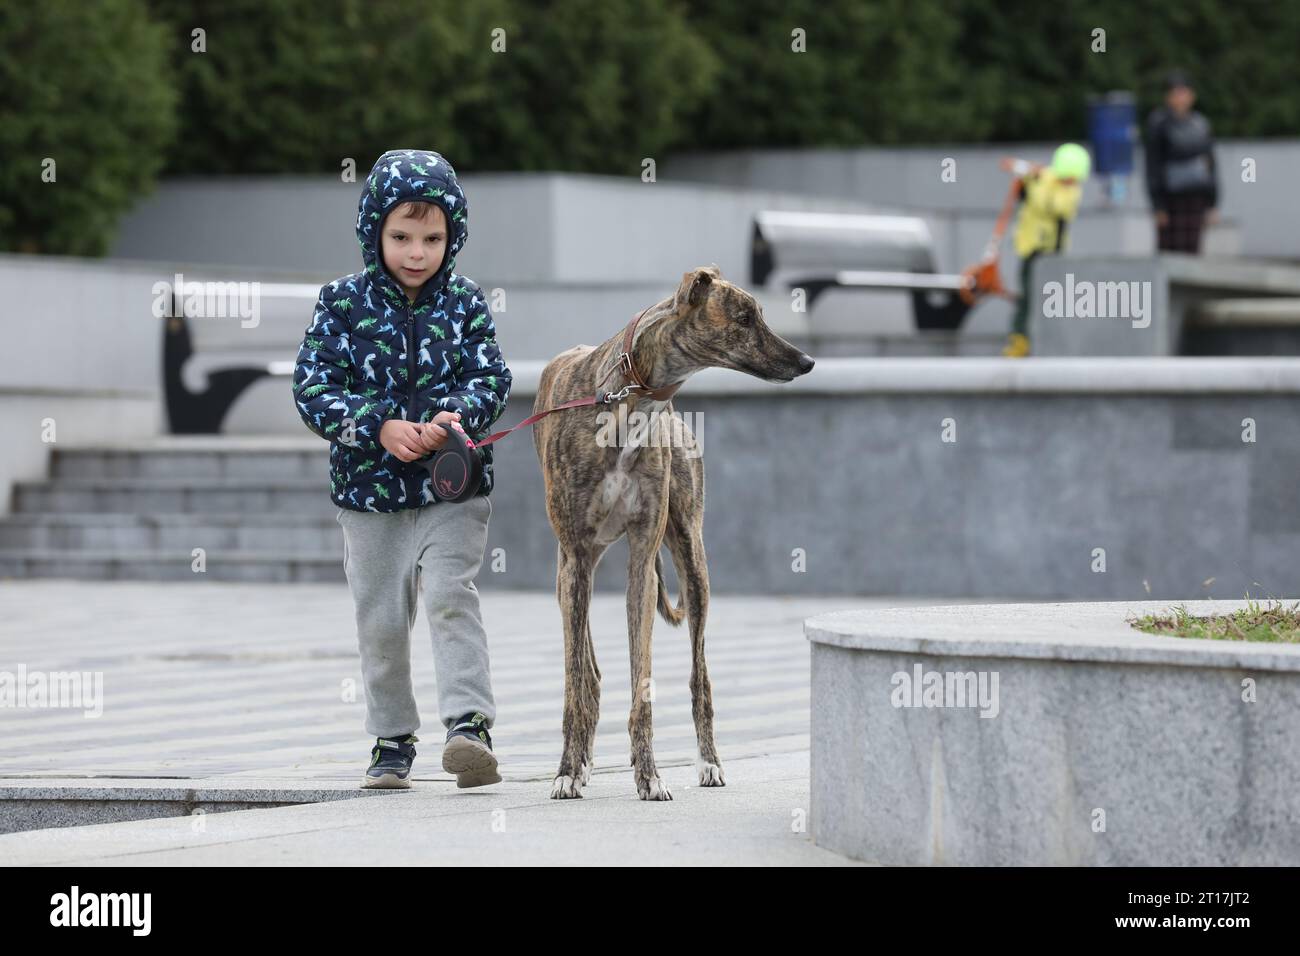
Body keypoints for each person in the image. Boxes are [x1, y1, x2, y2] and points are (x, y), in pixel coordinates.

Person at [292, 148, 512, 790]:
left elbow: (491, 377)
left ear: (454, 236)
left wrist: (456, 416)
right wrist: (377, 426)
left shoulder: (467, 303)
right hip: (370, 494)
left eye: (433, 237)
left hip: (454, 490)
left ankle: (470, 727)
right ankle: (391, 740)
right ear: (373, 232)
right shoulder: (340, 305)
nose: (417, 251)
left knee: (451, 597)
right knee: (381, 616)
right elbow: (313, 389)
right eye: (401, 236)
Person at [1001, 143, 1090, 357]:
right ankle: (1020, 339)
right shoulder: (1045, 179)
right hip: (1032, 248)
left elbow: (1053, 206)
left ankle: (1051, 340)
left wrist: (1037, 180)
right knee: (1028, 296)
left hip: (1052, 253)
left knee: (1051, 299)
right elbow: (1026, 190)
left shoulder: (1069, 191)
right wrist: (1027, 175)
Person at [1144, 70, 1219, 253]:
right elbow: (1152, 165)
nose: (1180, 98)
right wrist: (1157, 205)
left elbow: (1211, 164)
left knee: (1192, 248)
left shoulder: (1200, 124)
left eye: (1184, 92)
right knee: (1169, 249)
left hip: (1196, 198)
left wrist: (1213, 203)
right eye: (1175, 93)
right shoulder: (1159, 124)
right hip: (1170, 199)